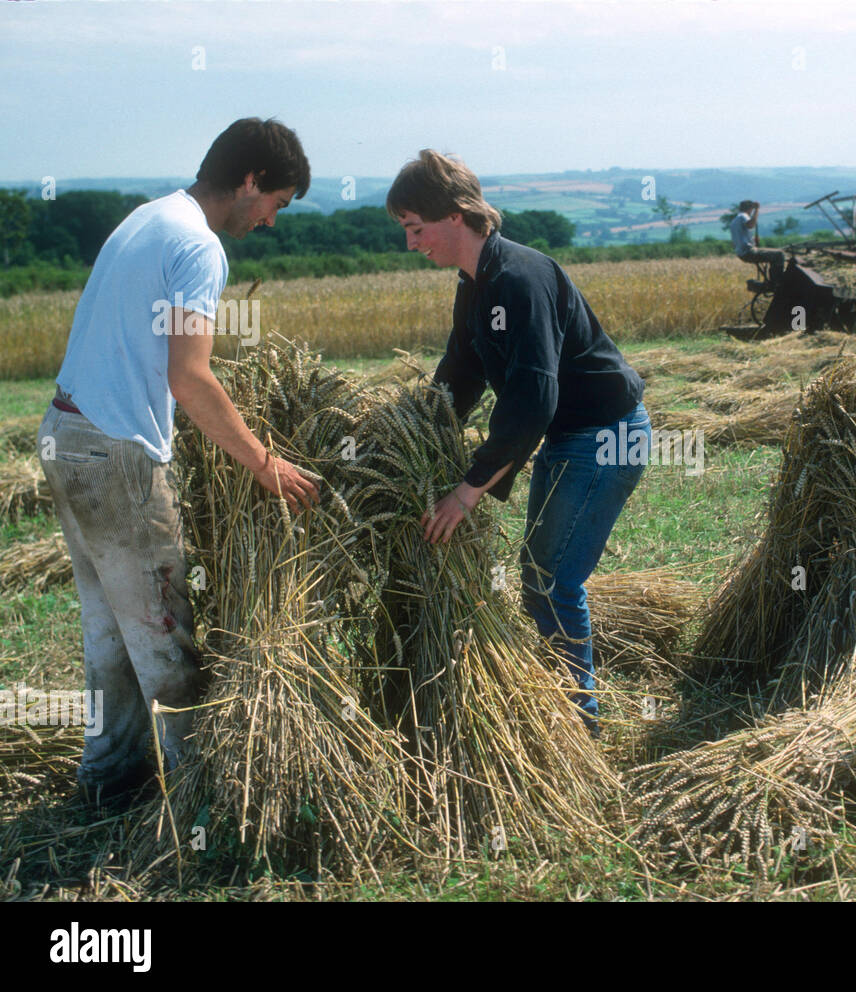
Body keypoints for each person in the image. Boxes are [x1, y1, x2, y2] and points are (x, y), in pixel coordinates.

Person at [39, 118, 320, 807]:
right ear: (250, 181)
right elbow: (190, 377)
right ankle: (201, 802)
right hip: (117, 458)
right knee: (164, 631)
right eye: (276, 202)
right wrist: (263, 462)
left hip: (65, 436)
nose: (271, 220)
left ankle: (108, 783)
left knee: (110, 628)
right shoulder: (199, 245)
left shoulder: (149, 216)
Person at [388, 150, 649, 738]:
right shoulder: (475, 283)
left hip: (606, 439)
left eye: (414, 228)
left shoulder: (519, 279)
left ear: (454, 215)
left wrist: (467, 490)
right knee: (542, 575)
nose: (410, 243)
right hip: (570, 437)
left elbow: (533, 399)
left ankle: (582, 731)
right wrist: (418, 429)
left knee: (551, 580)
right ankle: (570, 711)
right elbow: (461, 371)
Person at [730, 199, 785, 284]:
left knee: (773, 253)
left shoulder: (734, 220)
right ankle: (777, 283)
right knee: (779, 254)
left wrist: (751, 240)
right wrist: (757, 210)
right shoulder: (743, 216)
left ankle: (772, 282)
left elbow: (735, 242)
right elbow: (751, 225)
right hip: (748, 251)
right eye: (752, 209)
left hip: (741, 253)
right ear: (750, 208)